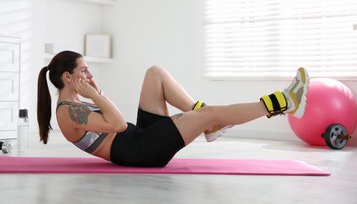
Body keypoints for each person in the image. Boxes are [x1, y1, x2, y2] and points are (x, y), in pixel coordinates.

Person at [37, 50, 309, 167]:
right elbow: (118, 124)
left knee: (155, 73)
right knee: (207, 114)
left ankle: (210, 125)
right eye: (84, 70)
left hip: (138, 138)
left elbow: (116, 122)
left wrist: (96, 94)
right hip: (141, 152)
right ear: (68, 78)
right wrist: (96, 96)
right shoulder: (67, 112)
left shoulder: (75, 104)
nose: (89, 73)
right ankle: (285, 101)